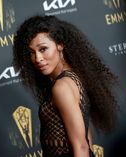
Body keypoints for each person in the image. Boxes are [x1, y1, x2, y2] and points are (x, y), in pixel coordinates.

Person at [13, 15, 117, 157]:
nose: (37, 59)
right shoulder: (73, 76)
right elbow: (86, 137)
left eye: (43, 49)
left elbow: (81, 147)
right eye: (32, 53)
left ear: (60, 45)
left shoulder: (62, 87)